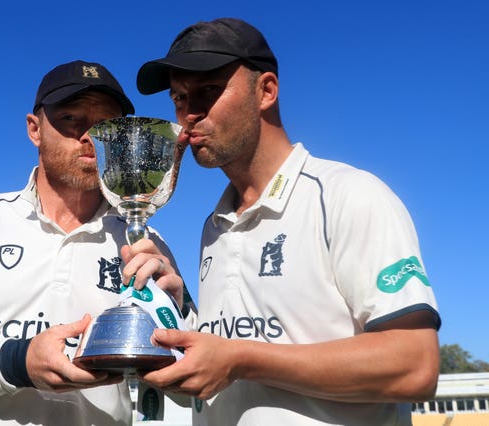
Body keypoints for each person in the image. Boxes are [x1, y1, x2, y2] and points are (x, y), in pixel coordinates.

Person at [135, 18, 441, 426]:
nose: (189, 114)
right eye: (178, 97)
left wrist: (241, 360)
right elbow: (235, 349)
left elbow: (415, 365)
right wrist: (179, 308)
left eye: (208, 91)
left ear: (266, 91)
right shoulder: (215, 226)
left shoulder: (347, 194)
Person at [0, 59, 186, 426]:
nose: (89, 136)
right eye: (71, 118)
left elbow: (188, 379)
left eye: (105, 124)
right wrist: (15, 362)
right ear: (34, 129)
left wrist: (174, 310)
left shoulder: (147, 241)